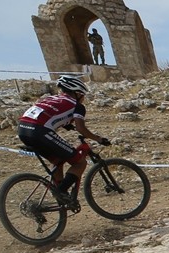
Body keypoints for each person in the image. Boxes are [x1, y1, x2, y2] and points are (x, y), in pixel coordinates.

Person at [17, 76, 111, 205]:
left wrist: (66, 125)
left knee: (57, 160)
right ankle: (60, 191)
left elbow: (49, 114)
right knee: (80, 163)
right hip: (39, 131)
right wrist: (98, 139)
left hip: (22, 130)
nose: (83, 98)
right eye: (82, 95)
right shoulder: (77, 106)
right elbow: (81, 129)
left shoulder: (50, 99)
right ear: (77, 93)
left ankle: (61, 196)